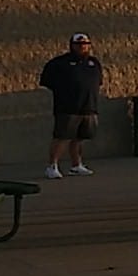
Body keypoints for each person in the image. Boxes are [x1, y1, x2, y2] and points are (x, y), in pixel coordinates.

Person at [40, 33, 104, 179]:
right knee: (62, 137)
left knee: (79, 138)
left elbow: (98, 82)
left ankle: (76, 165)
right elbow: (47, 81)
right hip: (67, 108)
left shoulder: (94, 63)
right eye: (79, 44)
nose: (82, 47)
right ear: (72, 46)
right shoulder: (59, 63)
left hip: (89, 107)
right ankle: (52, 166)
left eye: (85, 44)